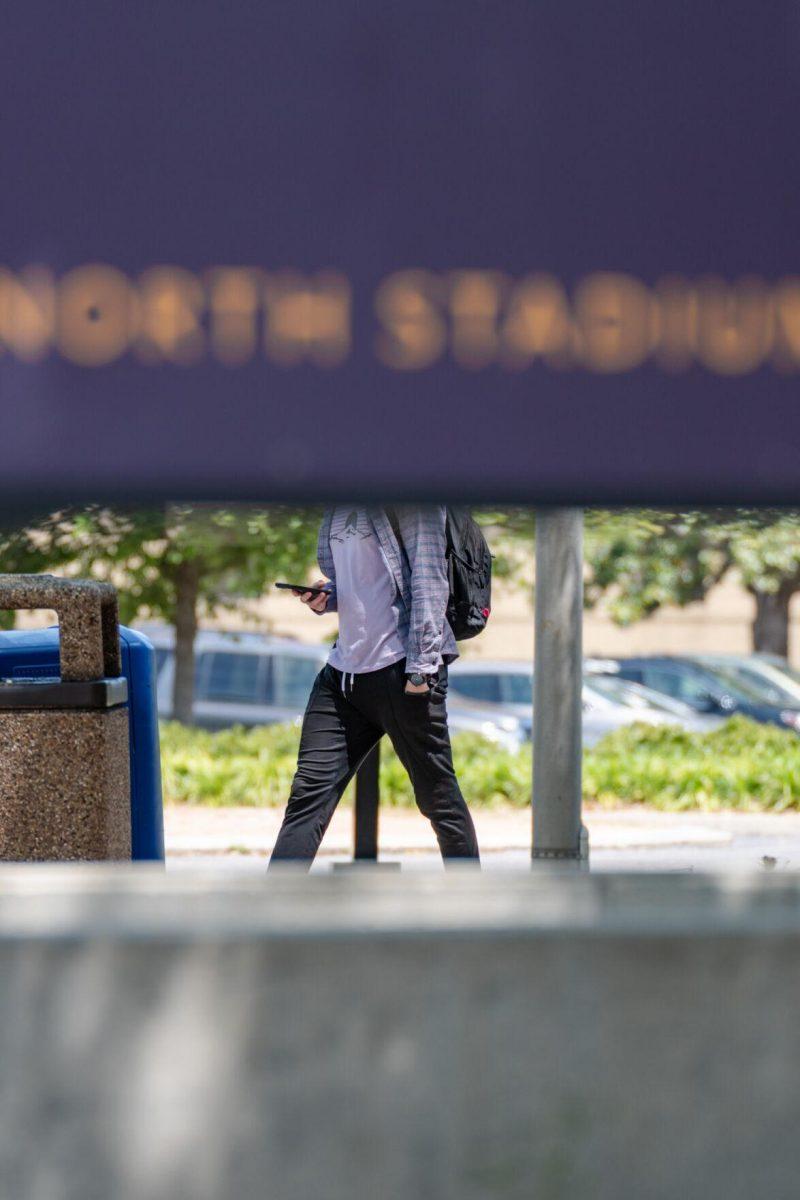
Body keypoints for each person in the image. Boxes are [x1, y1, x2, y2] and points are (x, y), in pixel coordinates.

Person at [269, 504, 480, 867]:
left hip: (402, 670)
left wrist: (420, 671)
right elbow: (364, 584)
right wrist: (327, 598)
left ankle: (473, 907)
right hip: (343, 677)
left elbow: (429, 581)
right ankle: (270, 916)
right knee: (307, 798)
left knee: (438, 799)